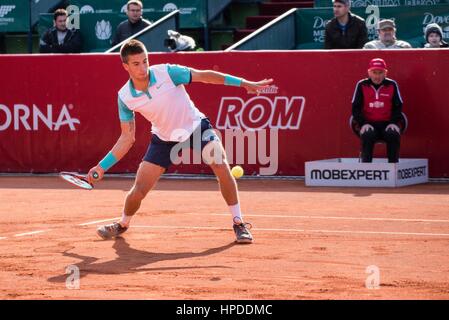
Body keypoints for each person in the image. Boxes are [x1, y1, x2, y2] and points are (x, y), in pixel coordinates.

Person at [87, 39, 273, 243]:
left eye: (145, 61)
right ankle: (122, 224)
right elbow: (126, 138)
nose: (143, 68)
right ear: (125, 66)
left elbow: (205, 76)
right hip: (164, 139)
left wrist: (243, 83)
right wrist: (102, 166)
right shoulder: (125, 97)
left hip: (196, 127)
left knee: (221, 165)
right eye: (136, 64)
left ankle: (238, 223)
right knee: (139, 190)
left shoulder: (167, 73)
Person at [351, 58, 403, 163]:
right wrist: (363, 123)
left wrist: (393, 123)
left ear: (385, 73)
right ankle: (366, 167)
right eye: (374, 72)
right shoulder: (362, 85)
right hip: (368, 124)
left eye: (380, 72)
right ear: (369, 72)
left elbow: (398, 106)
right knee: (367, 134)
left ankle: (393, 168)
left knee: (393, 134)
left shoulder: (392, 84)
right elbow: (355, 107)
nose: (377, 76)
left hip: (387, 123)